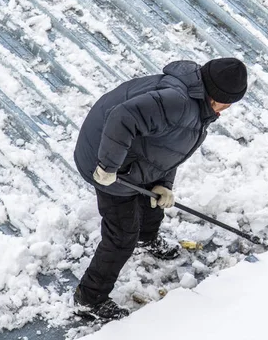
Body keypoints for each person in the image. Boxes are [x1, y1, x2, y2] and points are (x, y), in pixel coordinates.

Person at [72, 58, 248, 319]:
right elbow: (122, 117)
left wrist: (164, 184)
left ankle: (147, 238)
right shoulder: (178, 103)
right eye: (231, 102)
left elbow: (166, 147)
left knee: (152, 199)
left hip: (130, 154)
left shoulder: (195, 98)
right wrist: (108, 166)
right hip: (106, 162)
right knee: (121, 236)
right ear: (221, 99)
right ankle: (89, 298)